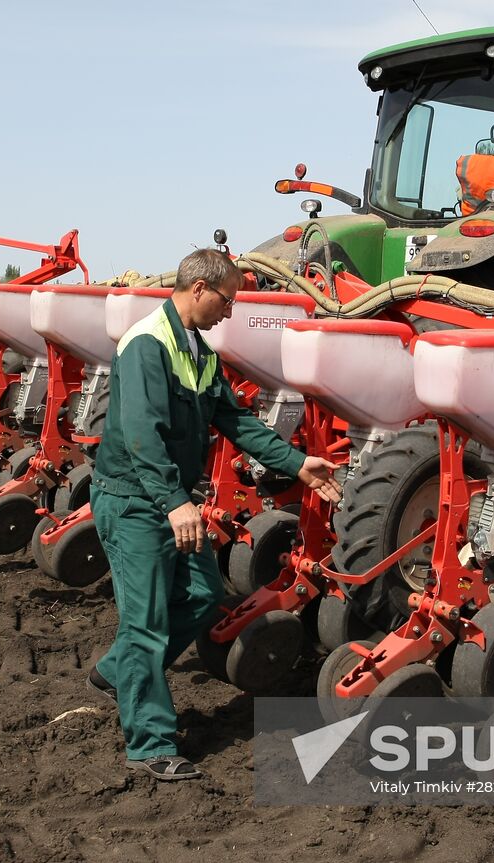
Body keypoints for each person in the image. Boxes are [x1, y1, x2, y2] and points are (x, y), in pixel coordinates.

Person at [87, 248, 343, 781]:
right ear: (199, 289)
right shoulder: (146, 346)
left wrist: (298, 464)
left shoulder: (199, 354)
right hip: (136, 501)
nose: (230, 312)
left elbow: (236, 420)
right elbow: (140, 434)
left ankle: (119, 671)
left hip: (167, 497)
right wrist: (177, 504)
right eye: (227, 300)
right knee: (146, 623)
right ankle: (151, 743)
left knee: (204, 594)